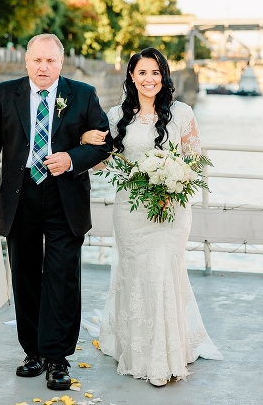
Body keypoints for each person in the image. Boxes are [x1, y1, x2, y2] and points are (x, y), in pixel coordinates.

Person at [0, 34, 112, 390]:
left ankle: (57, 357)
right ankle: (32, 352)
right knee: (26, 274)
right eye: (37, 60)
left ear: (61, 62)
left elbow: (104, 143)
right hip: (20, 197)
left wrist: (71, 159)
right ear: (26, 62)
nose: (43, 67)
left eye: (50, 60)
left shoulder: (83, 94)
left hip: (65, 196)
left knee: (62, 277)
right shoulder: (6, 94)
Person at [81, 47, 223, 386]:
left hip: (171, 209)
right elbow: (103, 162)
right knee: (136, 273)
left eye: (156, 73)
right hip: (131, 209)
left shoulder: (182, 113)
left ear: (164, 76)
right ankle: (137, 349)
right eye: (143, 72)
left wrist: (172, 178)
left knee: (163, 271)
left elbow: (193, 161)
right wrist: (85, 140)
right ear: (132, 75)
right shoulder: (117, 115)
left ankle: (165, 356)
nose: (150, 79)